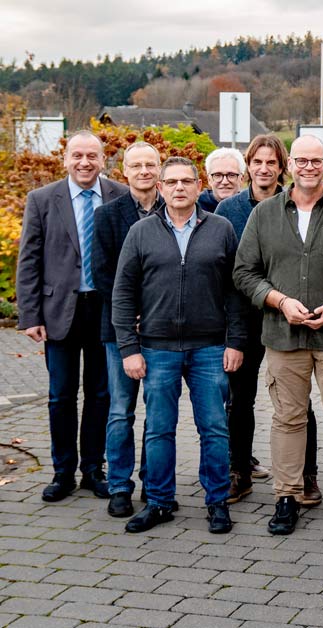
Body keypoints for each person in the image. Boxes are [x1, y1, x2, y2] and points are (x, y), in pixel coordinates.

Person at [232, 135, 323, 538]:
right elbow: (244, 272)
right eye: (302, 160)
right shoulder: (263, 214)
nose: (309, 167)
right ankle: (287, 497)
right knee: (287, 419)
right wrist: (279, 301)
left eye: (316, 161)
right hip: (283, 337)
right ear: (290, 165)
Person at [111, 156, 245, 534]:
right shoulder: (141, 232)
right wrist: (129, 348)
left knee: (215, 428)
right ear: (161, 187)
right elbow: (122, 294)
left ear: (198, 185)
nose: (179, 188)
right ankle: (159, 501)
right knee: (158, 429)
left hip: (209, 348)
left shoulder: (220, 229)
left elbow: (235, 293)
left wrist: (235, 342)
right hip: (156, 349)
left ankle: (217, 501)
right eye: (172, 182)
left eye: (187, 181)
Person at [17, 130, 126, 502]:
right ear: (66, 158)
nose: (84, 163)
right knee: (60, 395)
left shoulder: (119, 196)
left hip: (104, 309)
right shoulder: (43, 199)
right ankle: (63, 471)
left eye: (91, 156)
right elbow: (29, 260)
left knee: (101, 393)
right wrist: (30, 314)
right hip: (59, 310)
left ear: (102, 160)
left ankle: (94, 469)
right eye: (77, 155)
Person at [217, 134, 322, 504]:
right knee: (239, 400)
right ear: (248, 166)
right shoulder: (228, 211)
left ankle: (307, 475)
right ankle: (239, 471)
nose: (264, 168)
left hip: (287, 319)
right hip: (243, 320)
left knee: (297, 402)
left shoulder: (296, 205)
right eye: (257, 162)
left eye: (271, 162)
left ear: (283, 167)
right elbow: (227, 272)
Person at [93, 141, 165, 517]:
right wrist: (131, 313)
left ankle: (154, 484)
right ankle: (119, 485)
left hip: (163, 331)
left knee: (158, 411)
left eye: (150, 164)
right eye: (135, 165)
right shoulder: (108, 215)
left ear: (159, 170)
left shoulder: (177, 210)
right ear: (124, 171)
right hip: (120, 331)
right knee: (121, 410)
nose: (143, 171)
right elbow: (102, 273)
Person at [198, 148, 245, 212]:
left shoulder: (253, 210)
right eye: (217, 175)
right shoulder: (194, 210)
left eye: (231, 175)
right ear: (209, 180)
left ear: (241, 179)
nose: (224, 182)